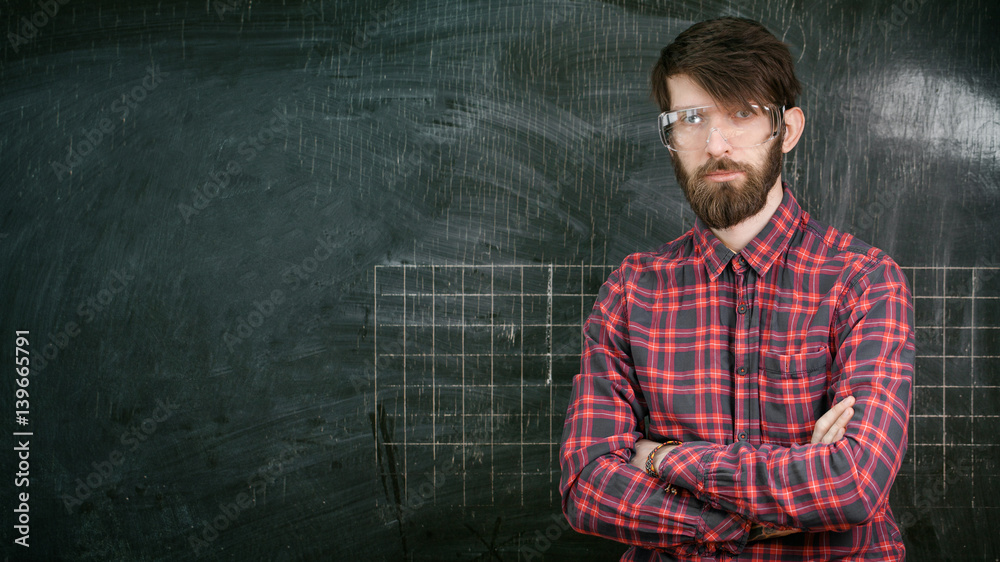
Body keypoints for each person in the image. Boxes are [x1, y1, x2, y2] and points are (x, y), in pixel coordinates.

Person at [558, 16, 914, 561]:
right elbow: (587, 488)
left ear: (787, 130)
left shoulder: (863, 279)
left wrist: (657, 459)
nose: (716, 143)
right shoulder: (632, 291)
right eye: (692, 118)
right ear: (670, 135)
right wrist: (755, 521)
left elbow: (852, 485)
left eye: (742, 114)